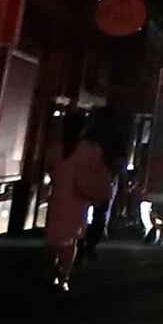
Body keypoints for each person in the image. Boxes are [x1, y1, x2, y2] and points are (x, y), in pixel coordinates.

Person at [43, 110, 113, 290]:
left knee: (55, 238)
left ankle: (53, 268)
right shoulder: (90, 150)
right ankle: (63, 276)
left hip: (58, 196)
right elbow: (97, 174)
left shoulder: (56, 148)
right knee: (71, 240)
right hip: (78, 199)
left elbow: (50, 169)